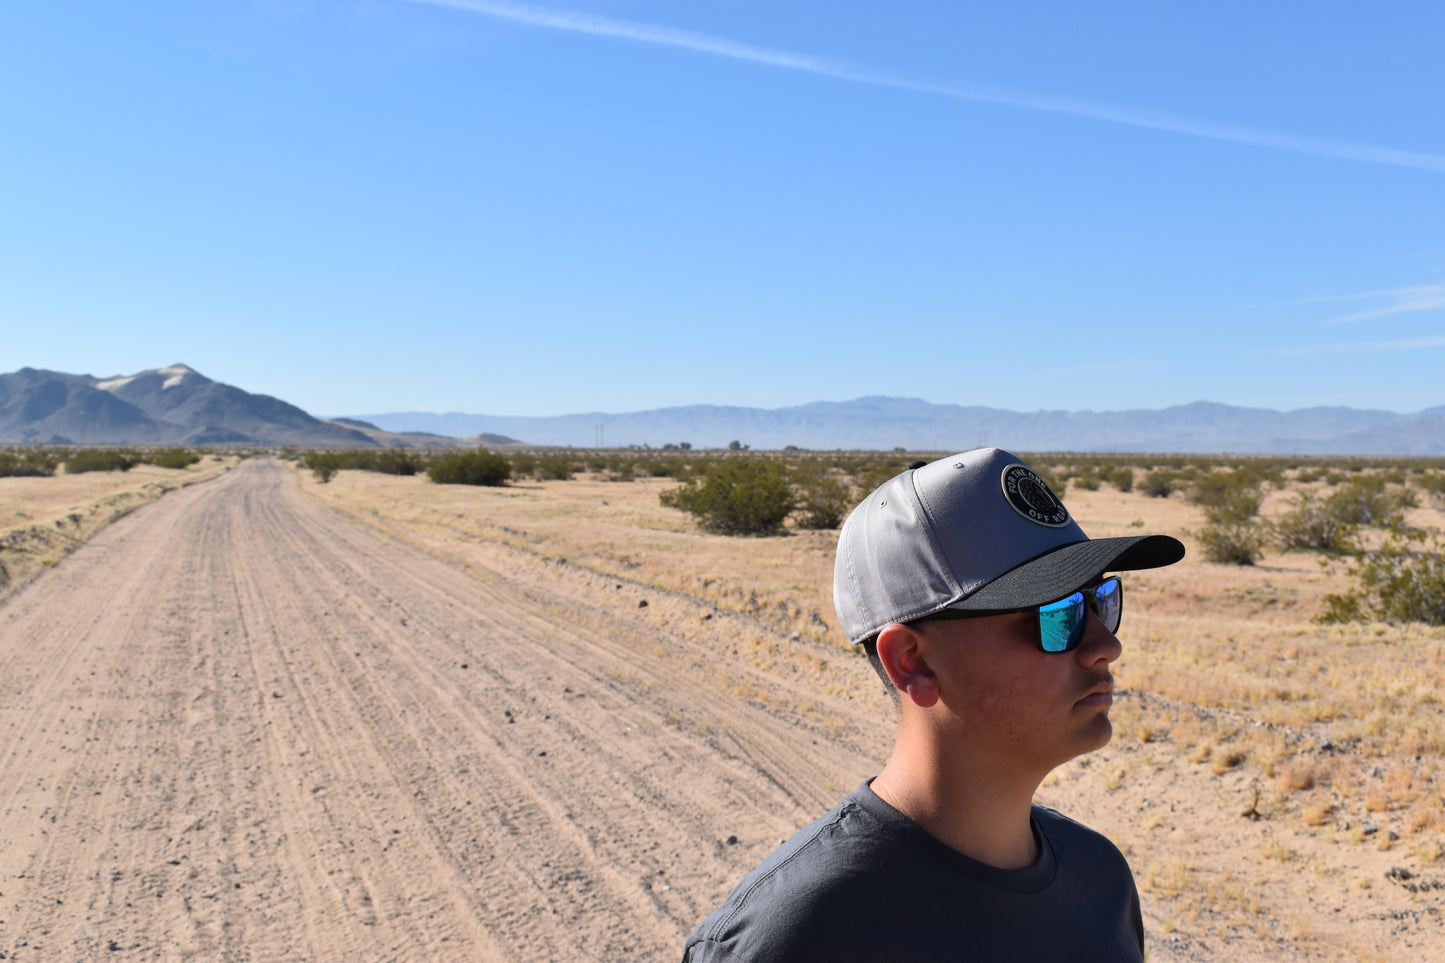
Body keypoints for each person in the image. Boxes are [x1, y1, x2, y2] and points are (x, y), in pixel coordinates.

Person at [682, 448, 1185, 962]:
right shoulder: (794, 938)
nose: (1106, 645)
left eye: (1100, 600)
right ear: (913, 662)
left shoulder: (1100, 878)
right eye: (1059, 613)